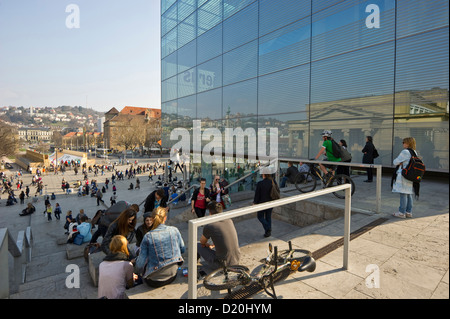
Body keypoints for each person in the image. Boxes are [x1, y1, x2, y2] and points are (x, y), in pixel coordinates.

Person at [135, 207, 185, 288]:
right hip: (172, 275)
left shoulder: (148, 236)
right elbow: (182, 249)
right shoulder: (174, 230)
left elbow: (139, 265)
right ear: (165, 218)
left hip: (154, 281)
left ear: (153, 219)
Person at [197, 201, 240, 269]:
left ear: (210, 213)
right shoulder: (229, 220)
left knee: (197, 245)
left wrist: (207, 244)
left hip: (223, 265)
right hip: (236, 260)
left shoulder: (210, 226)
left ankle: (194, 267)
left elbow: (202, 242)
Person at [98, 235, 137, 299]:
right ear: (124, 247)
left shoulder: (101, 264)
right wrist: (132, 277)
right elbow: (130, 284)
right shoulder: (127, 264)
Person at [392, 137, 417, 219]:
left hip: (404, 175)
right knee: (409, 193)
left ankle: (401, 212)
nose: (402, 144)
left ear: (408, 143)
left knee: (403, 194)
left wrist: (400, 162)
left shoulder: (405, 151)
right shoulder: (414, 152)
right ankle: (409, 212)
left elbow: (395, 162)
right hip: (410, 175)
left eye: (403, 142)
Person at [253, 170, 277, 237]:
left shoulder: (260, 183)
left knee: (260, 216)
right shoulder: (273, 181)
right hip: (271, 203)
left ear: (264, 174)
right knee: (268, 217)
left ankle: (268, 228)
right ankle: (268, 232)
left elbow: (257, 195)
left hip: (262, 204)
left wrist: (255, 202)